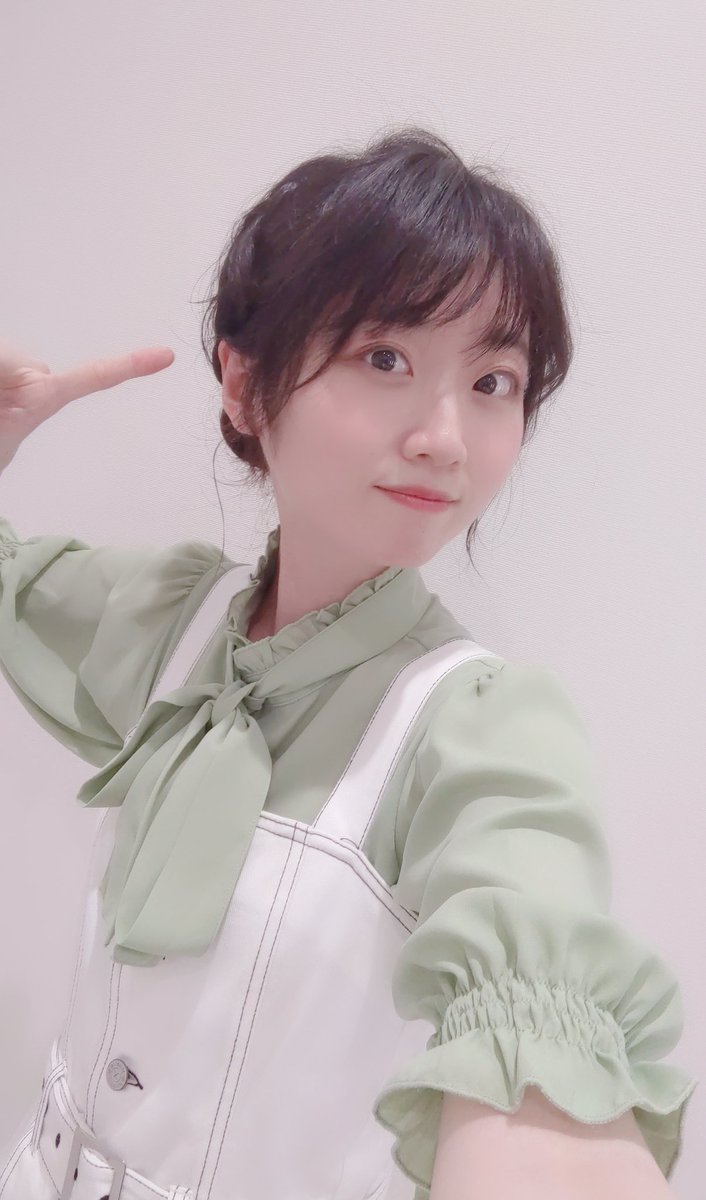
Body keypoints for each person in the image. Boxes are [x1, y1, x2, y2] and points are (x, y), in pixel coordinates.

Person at [0, 128, 696, 1200]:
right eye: (386, 358)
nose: (445, 436)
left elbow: (537, 997)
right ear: (244, 383)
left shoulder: (483, 726)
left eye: (494, 379)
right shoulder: (170, 620)